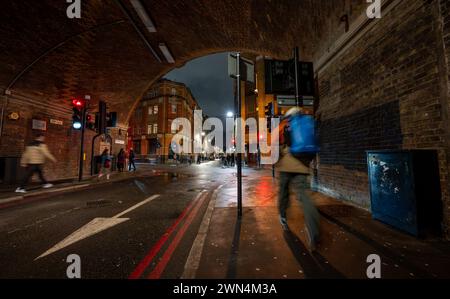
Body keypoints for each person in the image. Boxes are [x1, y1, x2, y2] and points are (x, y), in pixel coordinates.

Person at [275, 107, 320, 252]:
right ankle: (313, 230)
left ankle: (282, 216)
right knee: (304, 196)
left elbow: (277, 144)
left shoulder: (286, 125)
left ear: (288, 116)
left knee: (283, 191)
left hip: (288, 162)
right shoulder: (308, 122)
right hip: (303, 164)